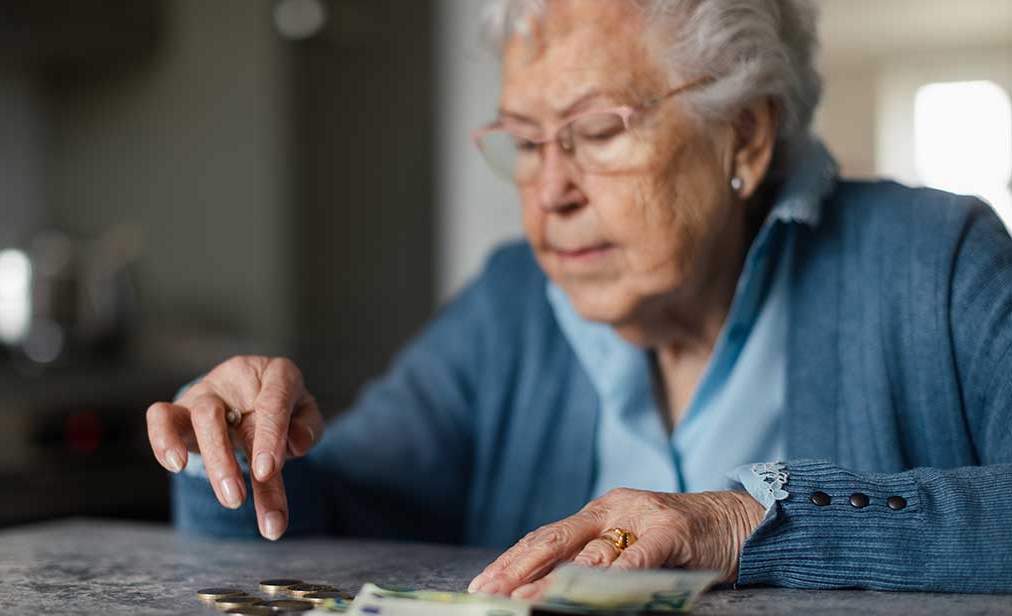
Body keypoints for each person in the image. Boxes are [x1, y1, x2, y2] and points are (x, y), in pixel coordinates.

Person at [145, 0, 1012, 595]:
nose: (549, 191)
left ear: (743, 134)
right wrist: (232, 450)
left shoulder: (936, 265)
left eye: (597, 132)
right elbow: (311, 524)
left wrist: (745, 524)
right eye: (525, 143)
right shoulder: (512, 304)